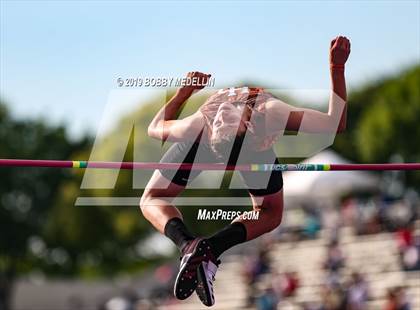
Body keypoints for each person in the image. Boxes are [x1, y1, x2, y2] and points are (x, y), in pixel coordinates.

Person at [140, 36, 351, 307]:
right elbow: (153, 127)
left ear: (248, 127)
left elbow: (337, 124)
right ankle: (196, 248)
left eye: (226, 120)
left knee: (271, 215)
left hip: (248, 148)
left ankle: (200, 249)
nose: (221, 117)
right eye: (219, 121)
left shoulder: (265, 114)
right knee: (151, 199)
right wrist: (183, 93)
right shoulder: (205, 126)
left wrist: (336, 68)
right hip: (212, 144)